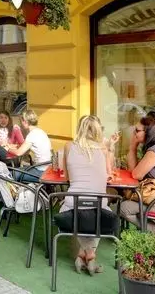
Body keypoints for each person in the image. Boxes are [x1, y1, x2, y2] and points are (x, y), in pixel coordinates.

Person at [59, 115, 114, 275]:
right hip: (99, 211)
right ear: (98, 130)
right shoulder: (103, 149)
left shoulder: (69, 146)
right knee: (100, 213)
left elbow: (67, 177)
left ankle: (83, 255)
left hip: (72, 209)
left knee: (81, 210)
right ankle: (90, 255)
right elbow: (108, 173)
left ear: (79, 129)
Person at [10, 110, 52, 182]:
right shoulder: (40, 131)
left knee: (11, 174)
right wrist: (13, 146)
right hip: (48, 169)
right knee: (18, 170)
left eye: (21, 121)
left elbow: (19, 153)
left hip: (41, 172)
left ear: (25, 122)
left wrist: (7, 149)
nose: (21, 124)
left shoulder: (31, 135)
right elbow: (26, 148)